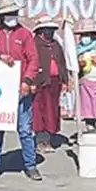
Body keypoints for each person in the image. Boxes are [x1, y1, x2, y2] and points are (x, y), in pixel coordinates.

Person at [0, 0, 41, 181]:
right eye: (9, 13)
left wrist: (27, 80)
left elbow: (33, 59)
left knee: (25, 129)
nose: (13, 16)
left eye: (15, 13)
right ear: (2, 16)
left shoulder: (25, 34)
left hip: (21, 89)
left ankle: (30, 165)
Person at [31, 17, 69, 153]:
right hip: (39, 83)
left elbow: (62, 63)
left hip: (55, 83)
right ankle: (40, 141)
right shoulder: (34, 44)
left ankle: (48, 139)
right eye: (47, 30)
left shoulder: (56, 45)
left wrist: (65, 81)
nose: (50, 32)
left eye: (52, 30)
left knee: (52, 111)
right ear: (41, 31)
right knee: (39, 112)